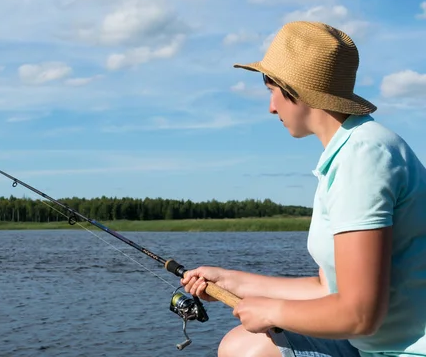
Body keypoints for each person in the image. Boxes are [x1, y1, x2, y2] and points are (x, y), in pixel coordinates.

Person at [181, 21, 426, 357]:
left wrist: (271, 311)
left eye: (271, 90)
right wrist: (231, 280)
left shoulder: (362, 157)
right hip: (370, 345)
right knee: (241, 343)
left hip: (402, 351)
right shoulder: (352, 149)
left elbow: (361, 315)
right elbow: (325, 287)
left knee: (245, 350)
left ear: (296, 89)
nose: (271, 107)